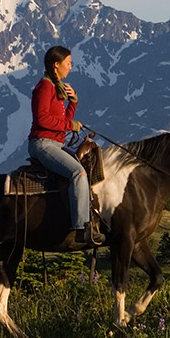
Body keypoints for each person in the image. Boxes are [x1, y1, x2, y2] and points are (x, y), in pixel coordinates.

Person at [28, 45, 101, 247]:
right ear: (56, 65)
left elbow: (61, 120)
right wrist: (72, 125)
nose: (70, 67)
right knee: (78, 173)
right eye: (68, 63)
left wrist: (73, 103)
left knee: (86, 166)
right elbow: (42, 119)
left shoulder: (56, 88)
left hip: (55, 144)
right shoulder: (45, 87)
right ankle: (80, 227)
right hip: (42, 144)